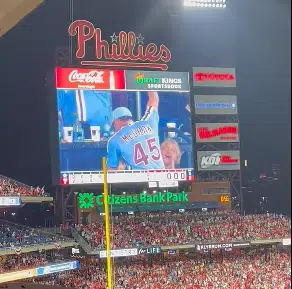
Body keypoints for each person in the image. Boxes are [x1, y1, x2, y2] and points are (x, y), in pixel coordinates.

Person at [107, 91, 165, 170]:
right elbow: (154, 98)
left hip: (140, 180)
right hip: (162, 175)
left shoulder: (114, 140)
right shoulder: (149, 122)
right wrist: (145, 80)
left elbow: (110, 171)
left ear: (115, 122)